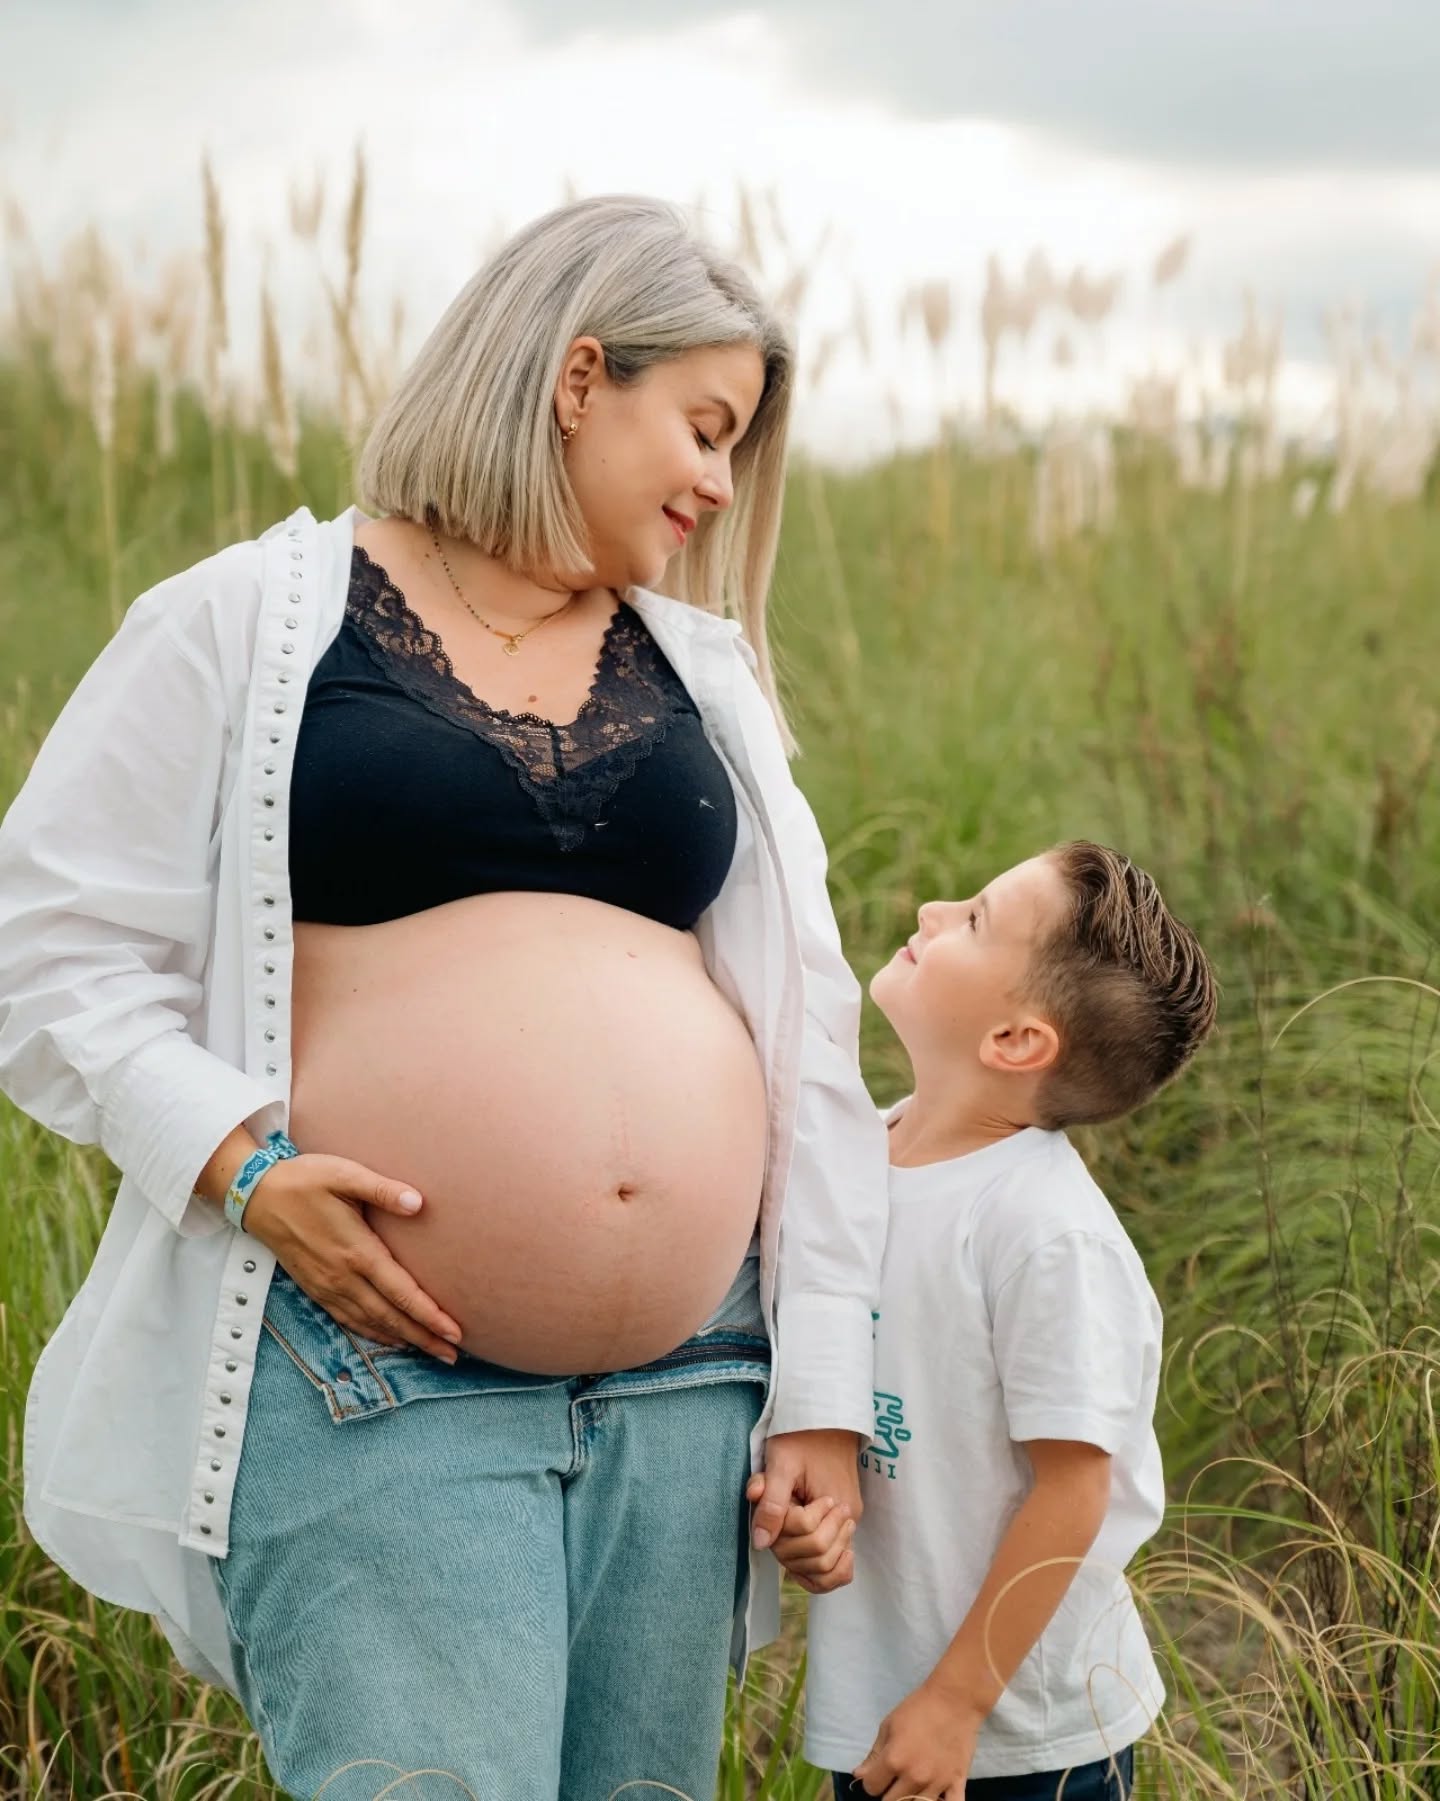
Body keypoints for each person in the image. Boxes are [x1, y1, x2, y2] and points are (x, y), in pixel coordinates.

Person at [0, 195, 889, 1800]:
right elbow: (47, 948)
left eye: (737, 449)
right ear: (575, 373)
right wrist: (240, 1168)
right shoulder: (250, 618)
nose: (717, 482)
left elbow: (810, 1045)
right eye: (701, 426)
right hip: (381, 1373)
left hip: (690, 1387)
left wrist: (823, 1389)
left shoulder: (704, 678)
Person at [752, 841, 1217, 1800]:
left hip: (1023, 1731)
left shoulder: (1045, 1231)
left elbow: (1076, 1490)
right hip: (887, 1694)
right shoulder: (860, 1152)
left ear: (1015, 1041)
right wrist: (820, 1522)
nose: (930, 907)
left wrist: (958, 1703)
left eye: (973, 920)